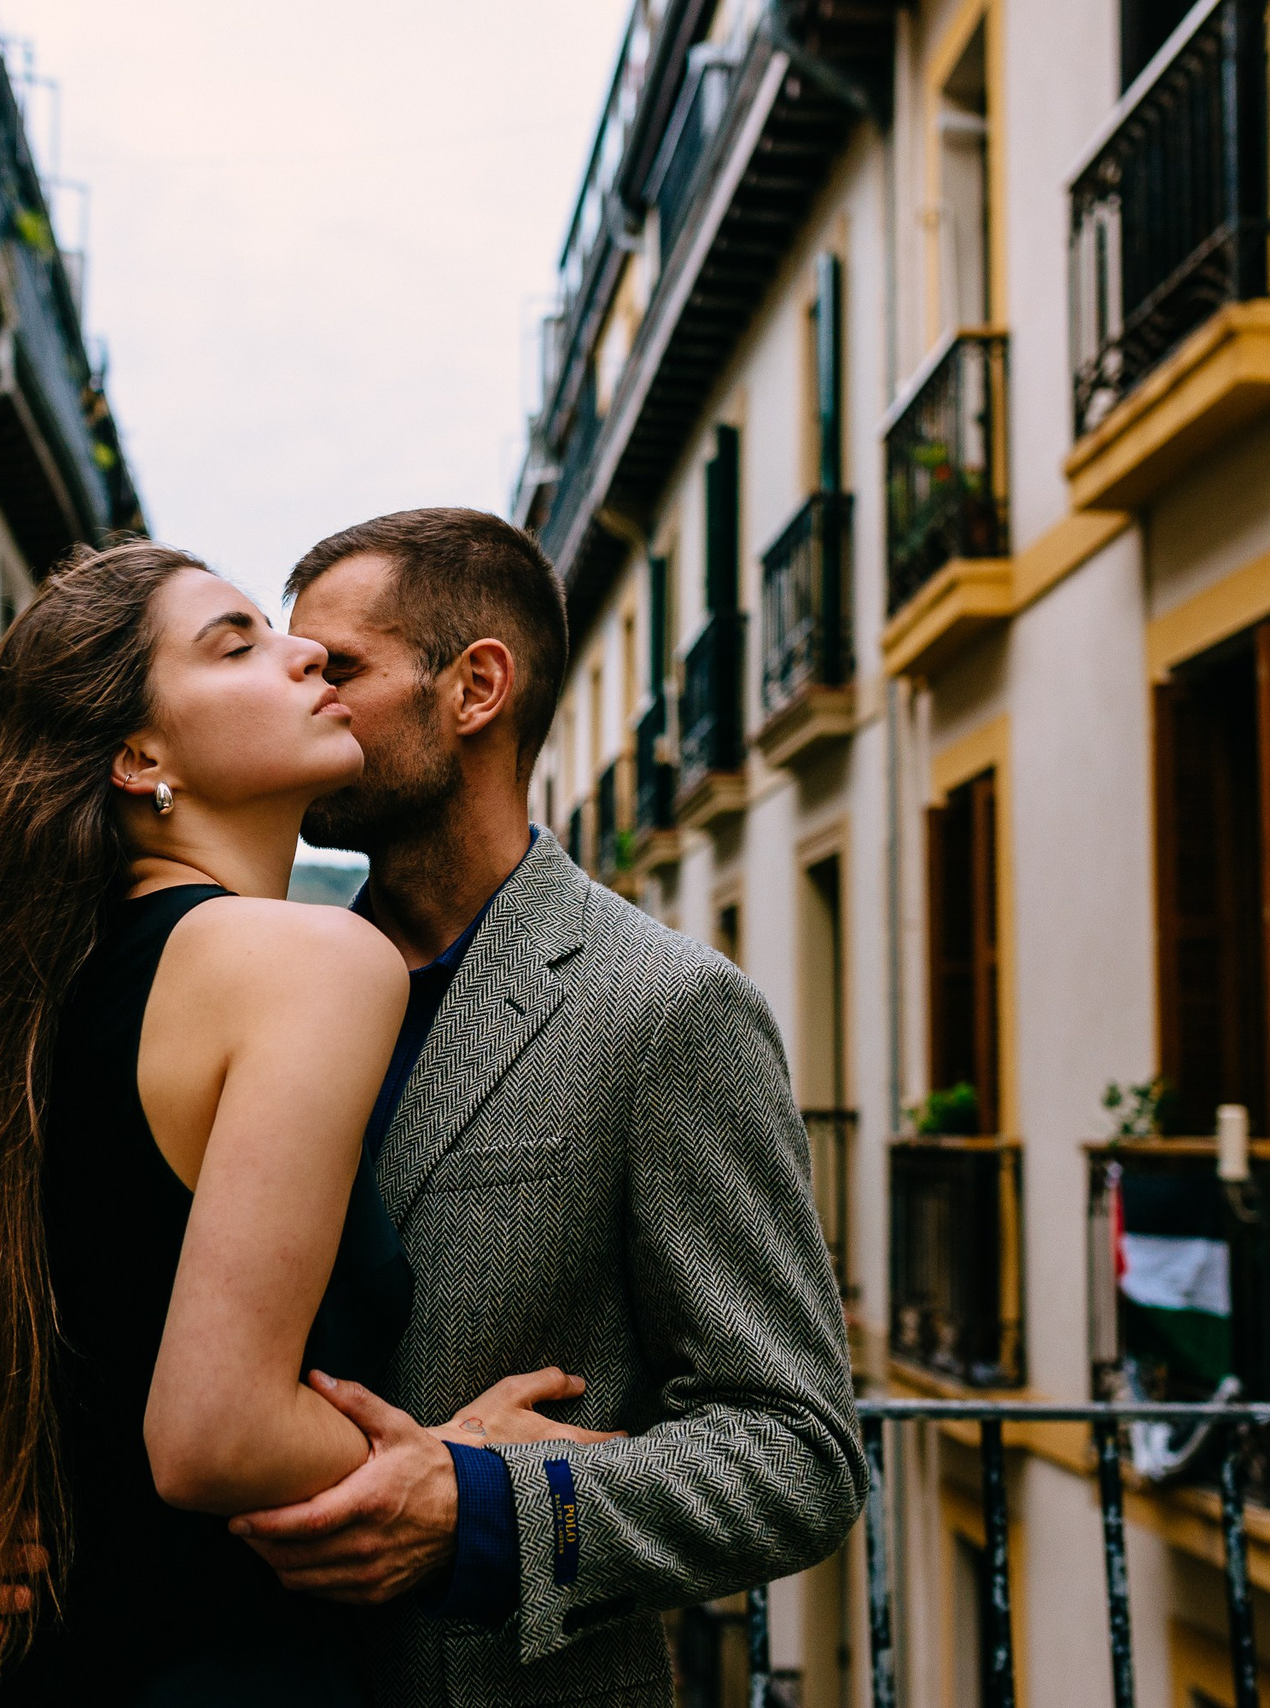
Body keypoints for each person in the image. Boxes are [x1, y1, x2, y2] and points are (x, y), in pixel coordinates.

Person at [0, 541, 607, 1707]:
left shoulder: (50, 988)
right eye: (237, 643)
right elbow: (212, 1434)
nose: (302, 654)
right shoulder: (309, 957)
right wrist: (465, 1471)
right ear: (138, 757)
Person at [215, 507, 866, 1707]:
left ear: (475, 689)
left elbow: (798, 1453)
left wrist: (482, 1506)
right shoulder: (265, 994)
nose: (299, 697)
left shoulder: (669, 1009)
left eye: (337, 667)